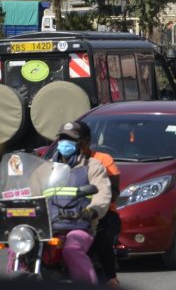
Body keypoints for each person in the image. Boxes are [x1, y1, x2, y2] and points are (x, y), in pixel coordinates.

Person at [48, 122, 112, 284]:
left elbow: (103, 194)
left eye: (69, 139)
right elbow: (30, 189)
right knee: (20, 245)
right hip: (48, 227)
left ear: (82, 143)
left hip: (80, 225)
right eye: (62, 137)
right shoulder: (46, 168)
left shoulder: (92, 166)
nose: (64, 142)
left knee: (72, 249)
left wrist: (92, 211)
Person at [79, 122, 122, 288]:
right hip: (68, 213)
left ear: (87, 140)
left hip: (102, 213)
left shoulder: (103, 160)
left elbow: (113, 192)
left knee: (100, 232)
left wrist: (94, 207)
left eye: (77, 140)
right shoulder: (59, 162)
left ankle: (110, 277)